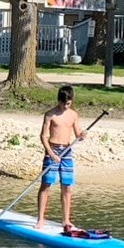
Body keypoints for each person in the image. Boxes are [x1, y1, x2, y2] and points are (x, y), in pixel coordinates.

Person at [36, 85, 87, 229]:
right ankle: (40, 220)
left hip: (67, 151)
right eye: (63, 103)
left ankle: (66, 221)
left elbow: (78, 135)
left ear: (72, 101)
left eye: (68, 103)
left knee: (67, 187)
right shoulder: (50, 114)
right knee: (46, 185)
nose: (65, 106)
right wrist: (51, 154)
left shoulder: (73, 115)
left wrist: (82, 135)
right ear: (58, 100)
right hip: (52, 150)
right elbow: (43, 136)